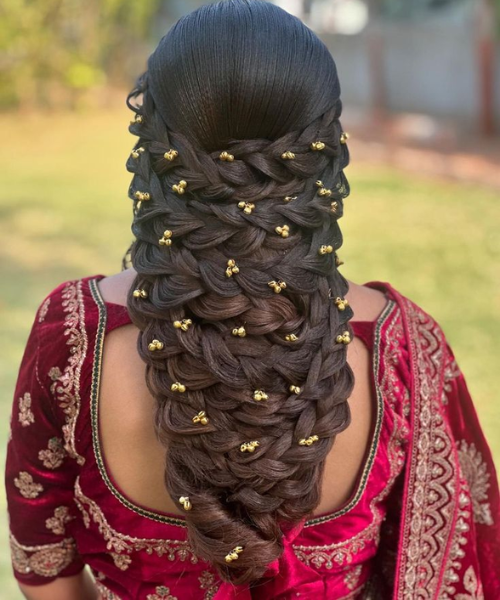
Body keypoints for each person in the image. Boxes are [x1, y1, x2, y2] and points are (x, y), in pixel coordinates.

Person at [5, 1, 500, 598]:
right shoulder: (403, 352)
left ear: (157, 148)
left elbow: (43, 565)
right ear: (323, 150)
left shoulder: (73, 336)